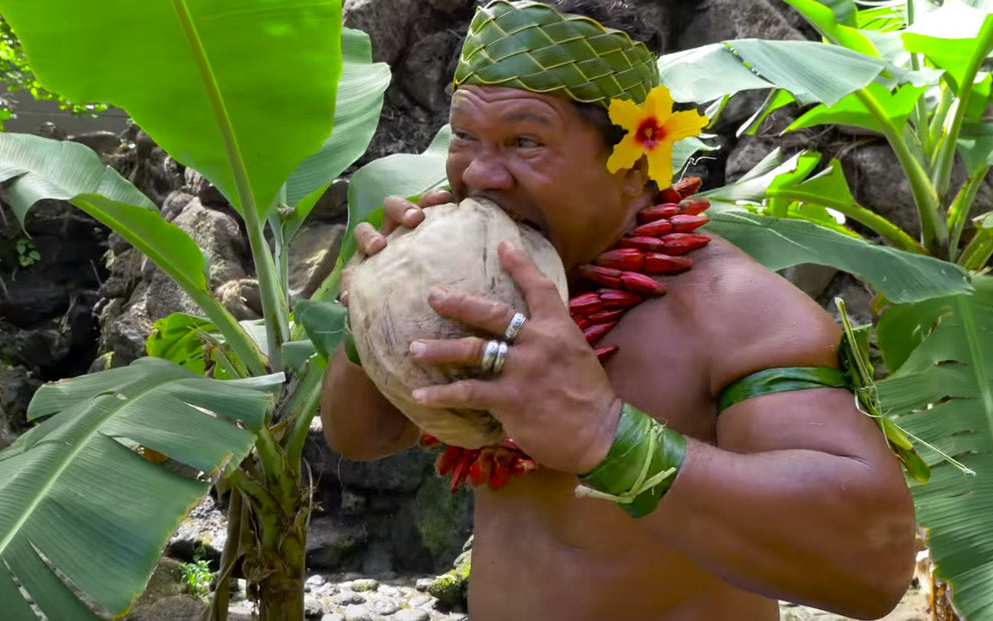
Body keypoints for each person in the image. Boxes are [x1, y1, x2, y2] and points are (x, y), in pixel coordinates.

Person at [321, 1, 918, 619]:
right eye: (465, 136)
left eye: (525, 141)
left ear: (632, 168)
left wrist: (608, 436)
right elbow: (360, 436)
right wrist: (378, 318)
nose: (481, 173)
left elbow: (872, 568)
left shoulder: (737, 315)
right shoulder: (490, 283)